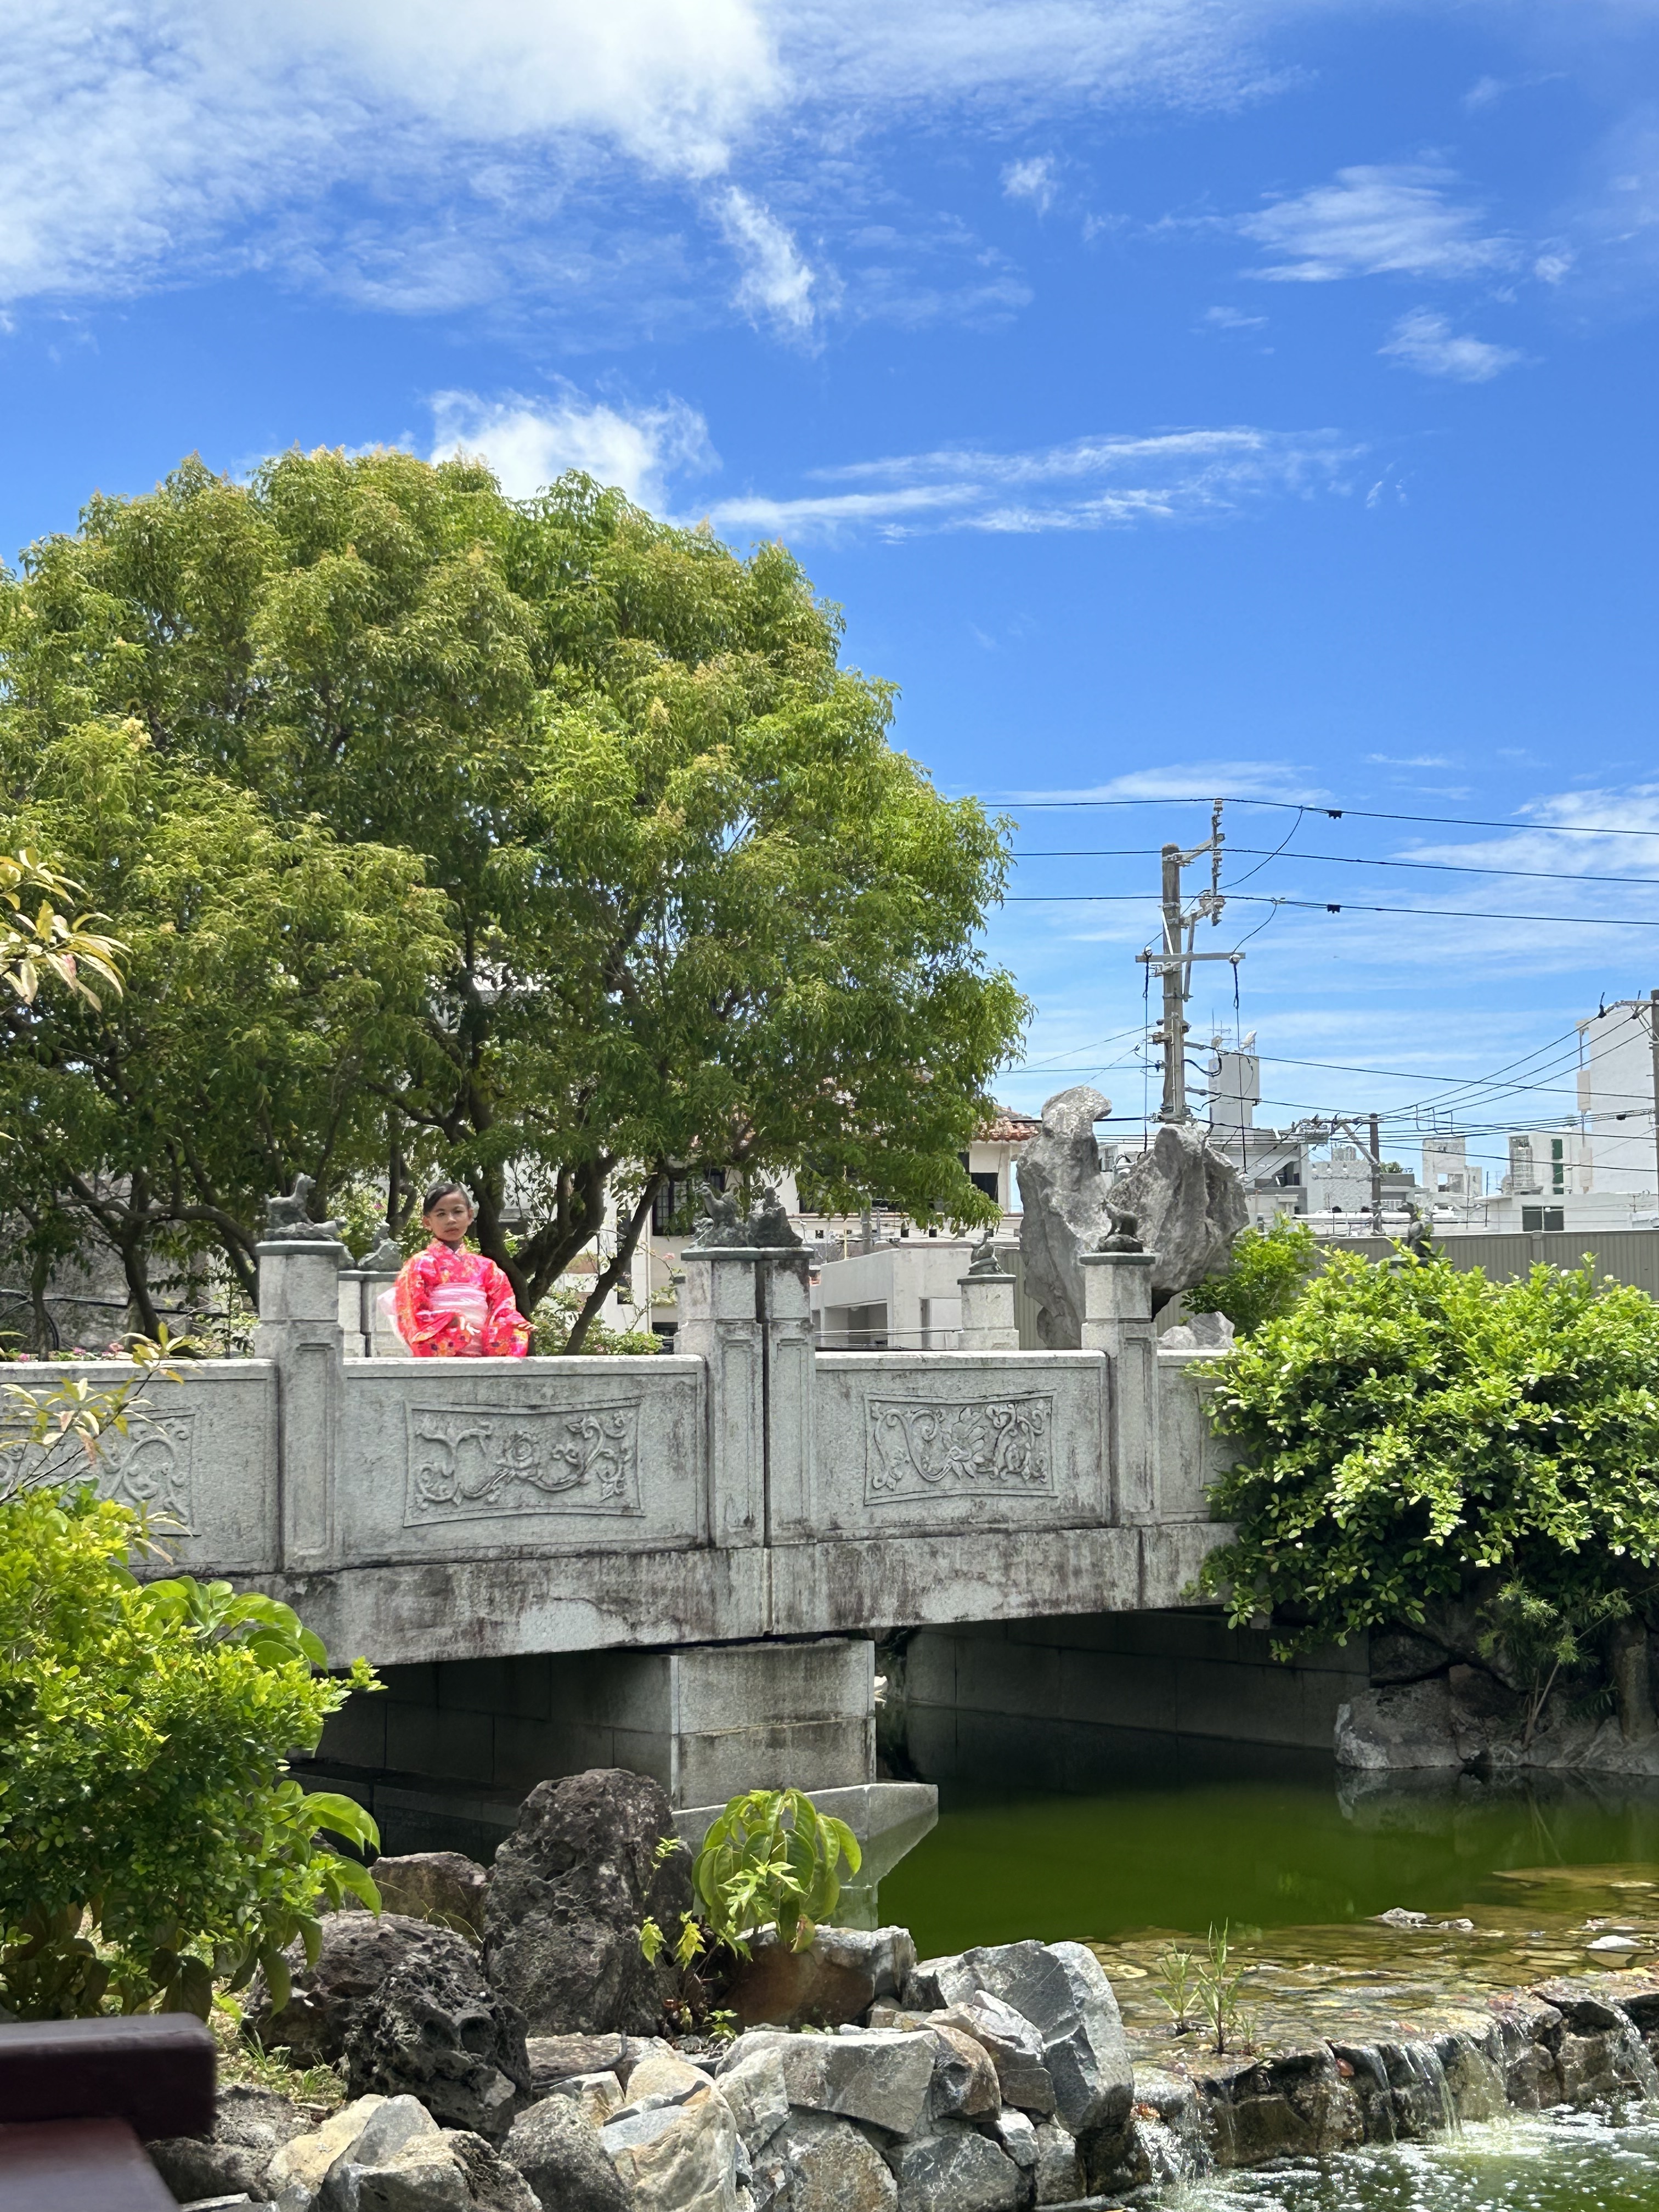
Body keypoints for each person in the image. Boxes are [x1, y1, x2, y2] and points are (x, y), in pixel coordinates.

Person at [393, 1183, 531, 1358]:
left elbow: (503, 1310)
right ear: (427, 1222)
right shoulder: (418, 1265)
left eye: (458, 1212)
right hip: (438, 1362)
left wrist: (513, 1324)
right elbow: (413, 1317)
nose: (451, 1220)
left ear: (470, 1215)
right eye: (441, 1214)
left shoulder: (488, 1268)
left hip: (482, 1360)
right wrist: (450, 1320)